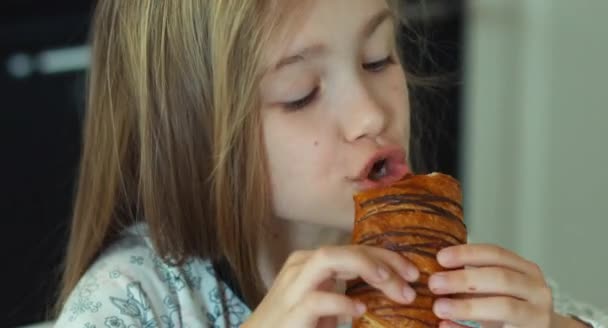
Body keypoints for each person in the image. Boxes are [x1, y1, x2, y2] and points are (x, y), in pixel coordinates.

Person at [53, 0, 606, 327]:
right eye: (301, 93)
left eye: (377, 58)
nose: (370, 113)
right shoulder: (136, 296)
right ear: (191, 133)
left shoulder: (437, 273)